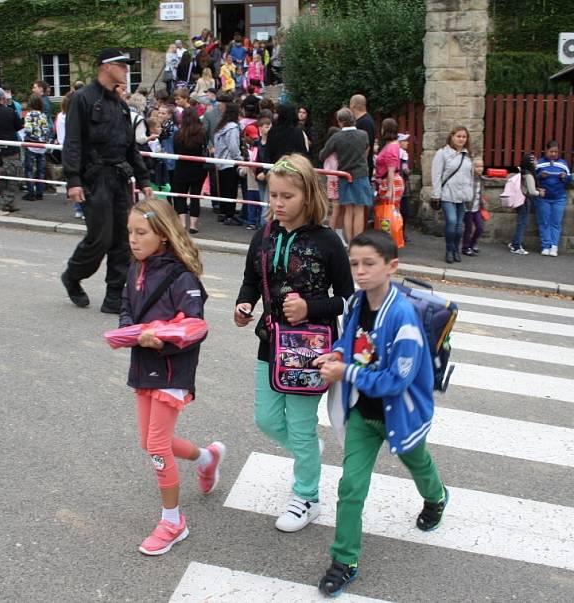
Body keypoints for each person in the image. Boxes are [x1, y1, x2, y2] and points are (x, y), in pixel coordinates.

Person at [315, 230, 448, 597]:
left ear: (391, 266)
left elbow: (396, 380)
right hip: (363, 414)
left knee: (417, 462)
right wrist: (338, 354)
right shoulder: (359, 302)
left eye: (369, 263)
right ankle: (344, 561)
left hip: (399, 414)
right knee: (351, 486)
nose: (359, 271)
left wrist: (346, 373)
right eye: (354, 263)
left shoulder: (404, 319)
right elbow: (350, 340)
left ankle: (436, 497)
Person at [234, 153, 354, 534]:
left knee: (301, 427)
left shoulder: (328, 242)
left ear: (308, 196)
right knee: (266, 418)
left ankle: (307, 497)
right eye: (273, 195)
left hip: (311, 349)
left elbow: (349, 299)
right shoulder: (263, 235)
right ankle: (309, 455)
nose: (278, 204)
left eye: (287, 196)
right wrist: (244, 303)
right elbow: (251, 278)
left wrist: (310, 307)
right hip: (269, 342)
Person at [118, 198, 225, 556]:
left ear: (162, 234)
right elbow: (126, 310)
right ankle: (208, 458)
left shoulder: (183, 277)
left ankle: (172, 521)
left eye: (141, 232)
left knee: (158, 446)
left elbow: (195, 327)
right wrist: (128, 334)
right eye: (130, 232)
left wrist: (160, 338)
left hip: (172, 371)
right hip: (142, 367)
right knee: (148, 443)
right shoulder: (136, 269)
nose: (133, 239)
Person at [61, 48, 153, 313]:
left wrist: (143, 177)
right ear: (105, 67)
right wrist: (73, 180)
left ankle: (115, 296)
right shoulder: (82, 99)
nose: (126, 70)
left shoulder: (120, 104)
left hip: (120, 177)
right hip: (95, 177)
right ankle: (73, 275)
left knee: (124, 239)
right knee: (99, 238)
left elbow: (129, 147)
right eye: (121, 65)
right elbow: (73, 141)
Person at [319, 108, 372, 243]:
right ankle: (358, 243)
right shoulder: (363, 134)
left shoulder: (336, 137)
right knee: (359, 210)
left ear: (340, 122)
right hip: (361, 174)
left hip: (344, 176)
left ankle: (349, 243)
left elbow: (322, 155)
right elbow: (366, 149)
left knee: (348, 210)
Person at [431, 125, 473, 263]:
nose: (461, 139)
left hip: (462, 195)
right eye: (458, 136)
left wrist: (470, 194)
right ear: (452, 136)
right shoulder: (442, 153)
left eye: (464, 137)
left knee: (460, 225)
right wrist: (436, 194)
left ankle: (456, 249)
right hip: (447, 193)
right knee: (452, 221)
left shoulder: (467, 155)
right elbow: (436, 175)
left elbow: (470, 177)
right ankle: (449, 250)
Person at [171, 107, 207, 234]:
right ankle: (193, 225)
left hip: (181, 168)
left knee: (180, 196)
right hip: (198, 169)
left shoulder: (178, 134)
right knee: (195, 196)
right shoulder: (202, 133)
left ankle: (182, 223)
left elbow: (175, 151)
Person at [535, 140, 571, 257]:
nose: (554, 154)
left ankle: (554, 247)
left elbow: (569, 180)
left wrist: (565, 177)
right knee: (544, 222)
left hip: (559, 198)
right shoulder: (539, 163)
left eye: (556, 152)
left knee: (556, 222)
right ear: (546, 151)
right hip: (543, 198)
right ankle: (546, 246)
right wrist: (541, 176)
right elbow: (532, 180)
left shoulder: (563, 164)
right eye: (551, 151)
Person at [373, 118, 404, 248]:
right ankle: (389, 240)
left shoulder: (391, 147)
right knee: (390, 212)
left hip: (390, 182)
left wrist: (390, 190)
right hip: (391, 181)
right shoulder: (393, 145)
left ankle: (388, 242)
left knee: (387, 212)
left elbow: (391, 169)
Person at [213, 103, 242, 225]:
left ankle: (223, 212)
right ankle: (229, 215)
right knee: (231, 189)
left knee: (224, 188)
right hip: (230, 161)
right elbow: (233, 146)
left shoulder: (221, 127)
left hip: (220, 161)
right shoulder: (233, 127)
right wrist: (239, 158)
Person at [509, 153, 542, 255]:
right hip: (524, 201)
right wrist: (540, 193)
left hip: (519, 200)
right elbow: (532, 191)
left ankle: (514, 243)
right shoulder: (529, 174)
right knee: (522, 224)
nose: (537, 162)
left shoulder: (522, 171)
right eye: (535, 160)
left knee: (520, 223)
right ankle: (516, 246)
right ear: (531, 163)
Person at [22, 93, 51, 201]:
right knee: (41, 170)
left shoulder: (29, 115)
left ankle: (31, 192)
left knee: (29, 169)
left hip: (31, 145)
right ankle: (40, 192)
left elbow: (28, 129)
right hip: (42, 145)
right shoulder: (43, 115)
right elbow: (46, 130)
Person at [462, 157, 487, 256]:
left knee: (480, 227)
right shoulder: (468, 179)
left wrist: (482, 202)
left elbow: (480, 192)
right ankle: (465, 247)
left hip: (476, 208)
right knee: (468, 228)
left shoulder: (482, 179)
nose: (480, 168)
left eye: (481, 166)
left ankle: (472, 244)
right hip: (467, 208)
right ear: (471, 167)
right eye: (477, 166)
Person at [350, 94, 376, 176]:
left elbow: (366, 146)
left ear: (353, 105)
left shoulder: (365, 122)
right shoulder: (362, 121)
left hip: (361, 169)